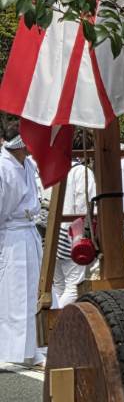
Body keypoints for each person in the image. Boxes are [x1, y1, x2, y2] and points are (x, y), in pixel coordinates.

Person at [0, 134, 45, 366]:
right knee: (14, 292)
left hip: (28, 231)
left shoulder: (27, 164)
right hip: (11, 234)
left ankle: (31, 347)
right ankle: (11, 349)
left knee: (31, 291)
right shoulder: (3, 167)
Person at [52, 147, 96, 308]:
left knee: (58, 285)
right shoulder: (81, 171)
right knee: (74, 287)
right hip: (72, 233)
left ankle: (53, 317)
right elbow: (85, 206)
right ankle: (58, 320)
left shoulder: (52, 167)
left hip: (51, 233)